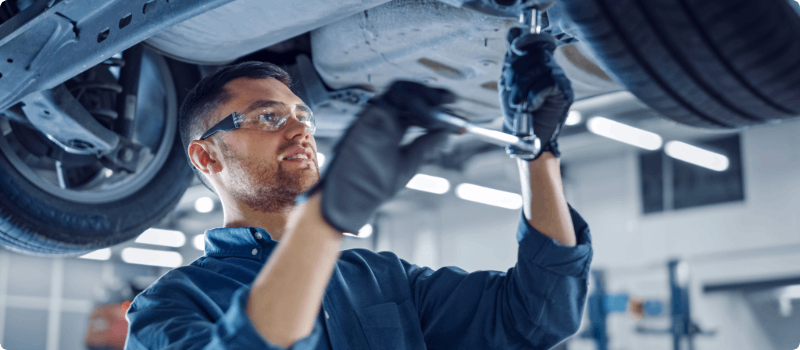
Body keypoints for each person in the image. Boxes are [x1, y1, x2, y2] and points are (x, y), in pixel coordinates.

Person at [124, 27, 593, 349]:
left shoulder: (383, 279)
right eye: (269, 117)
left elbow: (537, 315)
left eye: (303, 116)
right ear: (206, 156)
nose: (300, 130)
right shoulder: (168, 306)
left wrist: (538, 152)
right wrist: (324, 219)